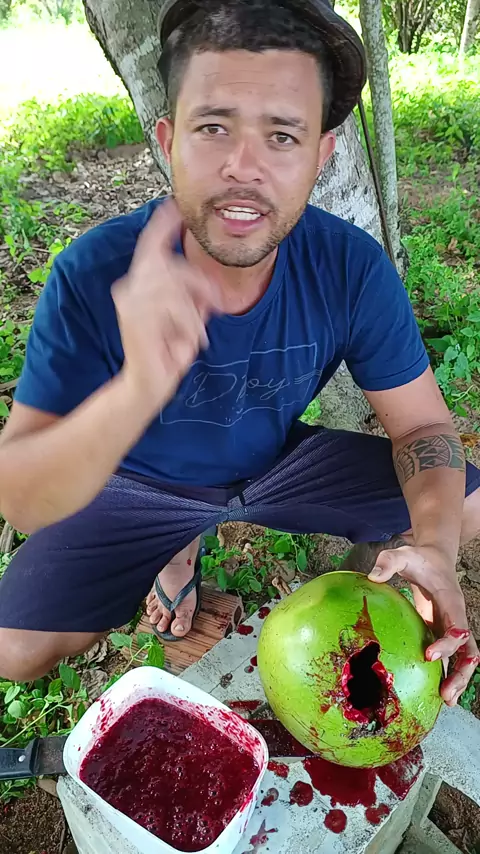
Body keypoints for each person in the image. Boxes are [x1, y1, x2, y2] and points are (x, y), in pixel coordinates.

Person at [0, 0, 478, 707]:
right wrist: (137, 388)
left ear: (321, 155)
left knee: (468, 509)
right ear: (169, 140)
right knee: (17, 649)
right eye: (214, 127)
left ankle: (351, 588)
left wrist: (435, 546)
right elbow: (21, 500)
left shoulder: (350, 267)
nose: (244, 167)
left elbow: (423, 427)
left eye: (282, 136)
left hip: (276, 465)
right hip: (138, 480)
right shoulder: (95, 273)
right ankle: (178, 546)